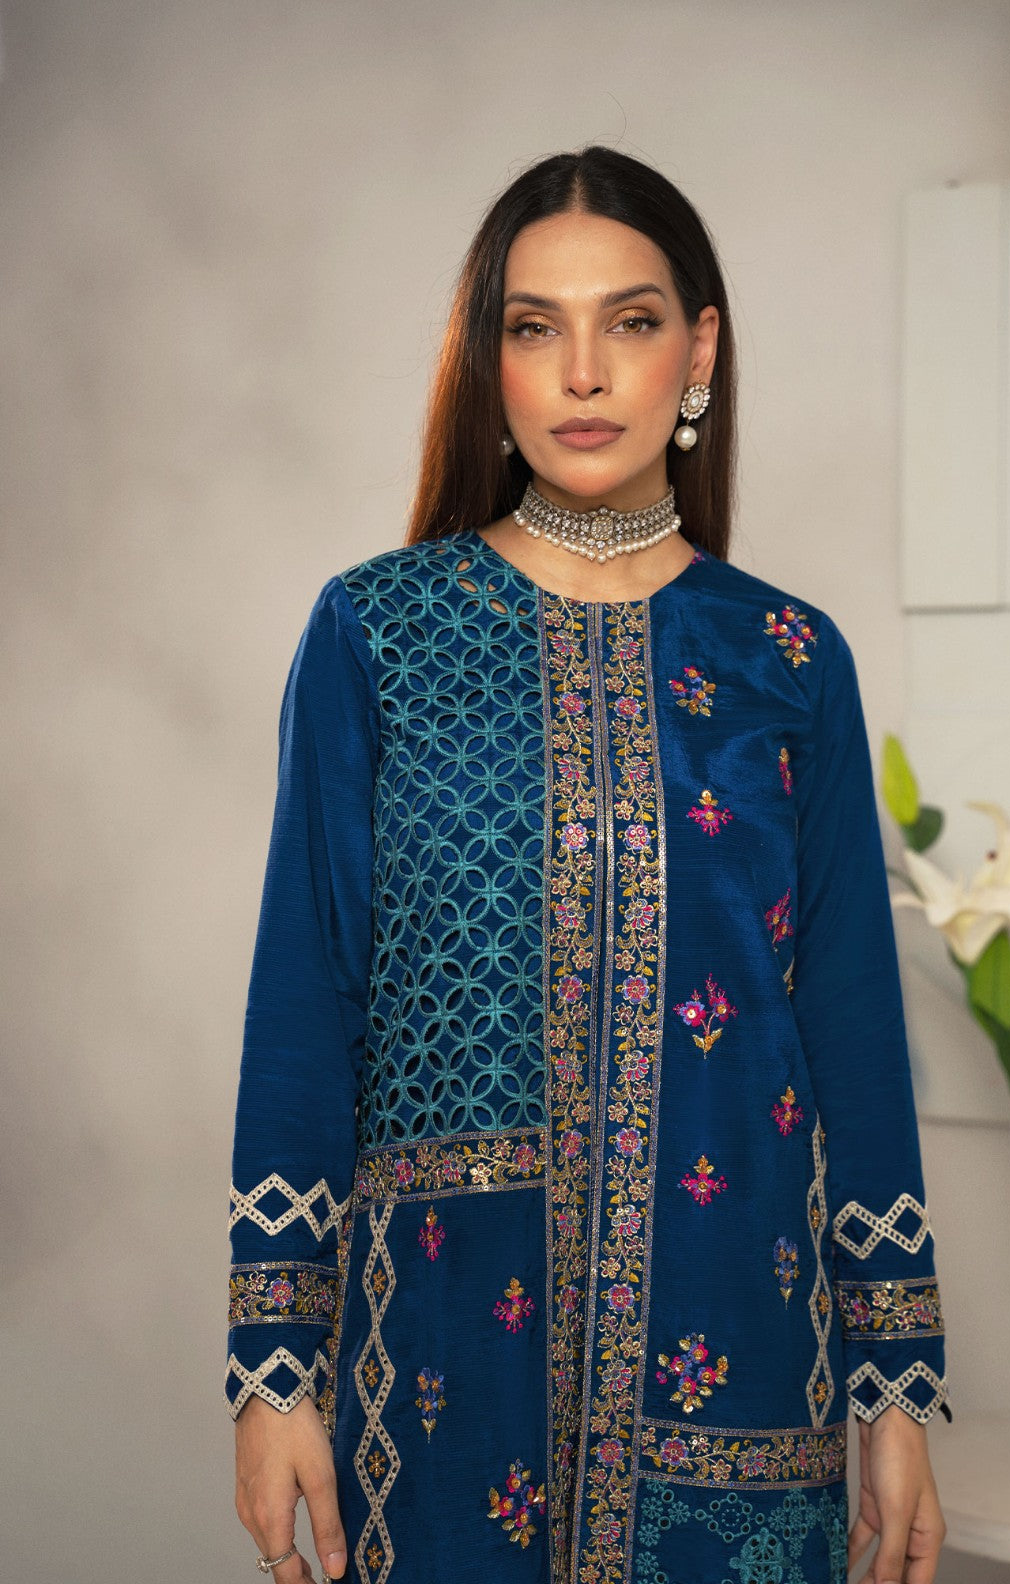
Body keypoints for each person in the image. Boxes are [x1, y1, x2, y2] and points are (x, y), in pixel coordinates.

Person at [226, 145, 952, 1584]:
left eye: (629, 321)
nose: (581, 373)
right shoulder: (378, 634)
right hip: (441, 1362)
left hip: (741, 1343)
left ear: (699, 351)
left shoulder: (787, 657)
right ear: (486, 360)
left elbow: (854, 1032)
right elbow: (307, 1002)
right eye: (532, 326)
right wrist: (272, 1369)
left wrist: (895, 1387)